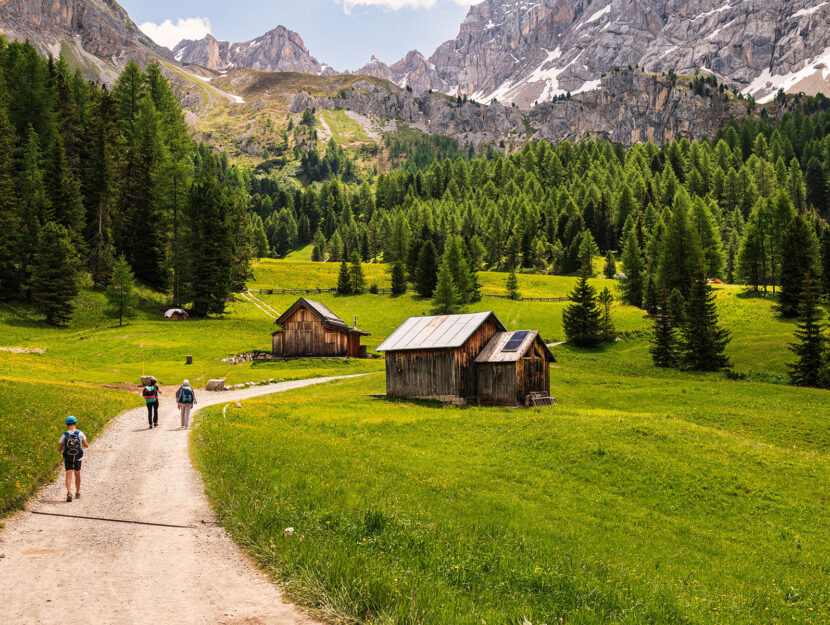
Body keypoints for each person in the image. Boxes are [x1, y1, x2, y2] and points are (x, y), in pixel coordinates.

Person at [58, 416, 89, 502]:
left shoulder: (65, 435)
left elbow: (60, 448)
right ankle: (77, 492)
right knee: (77, 473)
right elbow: (86, 445)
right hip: (78, 457)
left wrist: (62, 453)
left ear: (66, 425)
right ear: (76, 423)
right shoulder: (80, 433)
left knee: (68, 475)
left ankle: (68, 492)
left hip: (68, 457)